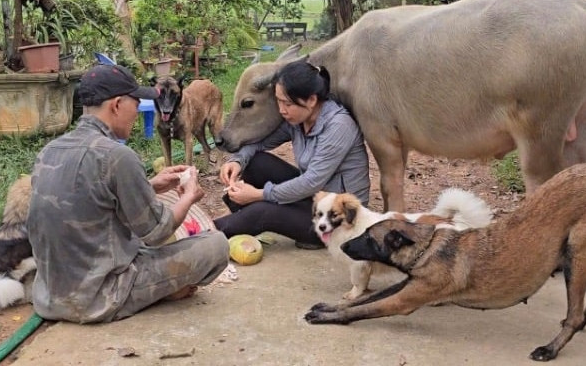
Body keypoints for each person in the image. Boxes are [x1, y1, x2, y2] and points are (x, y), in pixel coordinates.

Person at [26, 64, 228, 323]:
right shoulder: (118, 156)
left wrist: (149, 185)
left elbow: (88, 198)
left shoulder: (49, 151)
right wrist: (189, 195)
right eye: (136, 104)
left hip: (48, 297)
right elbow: (158, 232)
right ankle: (160, 292)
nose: (138, 113)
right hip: (101, 297)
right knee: (217, 244)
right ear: (117, 105)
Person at [215, 61, 370, 249]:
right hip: (315, 198)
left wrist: (259, 195)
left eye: (287, 103)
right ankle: (248, 219)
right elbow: (260, 143)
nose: (281, 110)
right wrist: (237, 161)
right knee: (256, 163)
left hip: (338, 219)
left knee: (264, 211)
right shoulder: (297, 120)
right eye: (279, 101)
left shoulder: (338, 126)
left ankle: (207, 233)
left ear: (311, 100)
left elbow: (311, 181)